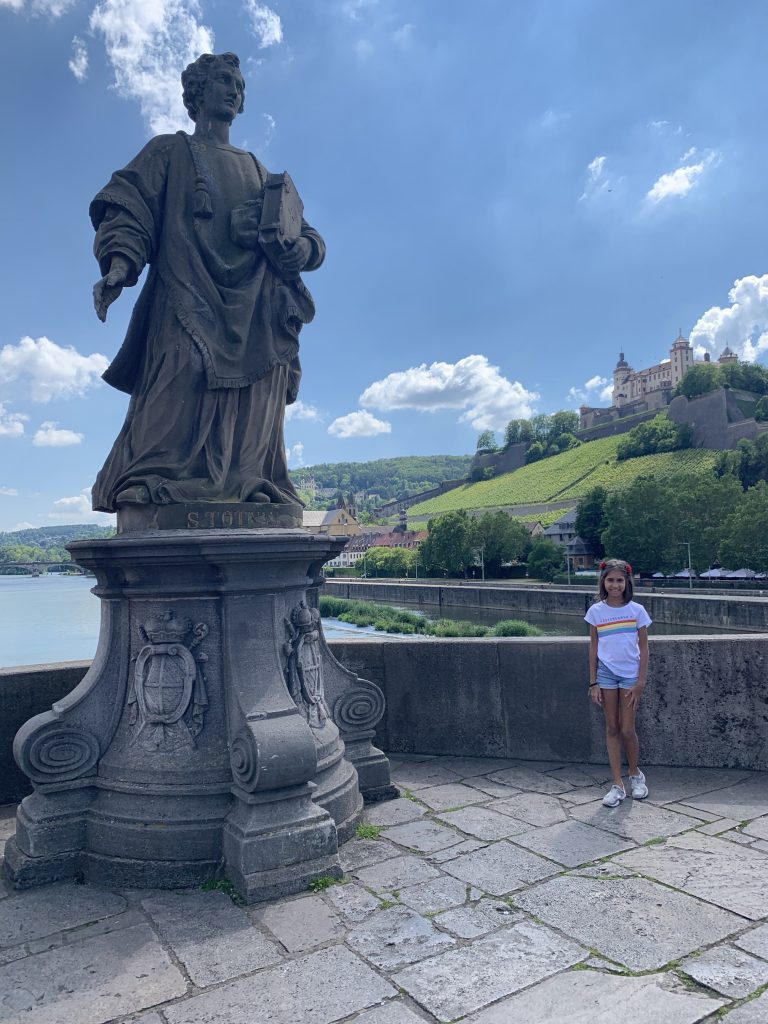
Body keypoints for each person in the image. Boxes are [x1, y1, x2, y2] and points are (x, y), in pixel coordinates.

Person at [89, 52, 325, 512]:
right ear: (196, 94)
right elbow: (128, 207)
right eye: (224, 81)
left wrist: (303, 249)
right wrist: (120, 266)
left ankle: (248, 477)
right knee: (182, 372)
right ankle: (152, 478)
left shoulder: (260, 171)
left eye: (240, 85)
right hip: (186, 291)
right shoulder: (168, 151)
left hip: (256, 304)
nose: (236, 90)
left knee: (257, 391)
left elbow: (308, 235)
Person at [585, 558, 651, 807]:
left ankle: (635, 775)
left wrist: (641, 682)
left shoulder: (637, 611)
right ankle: (617, 784)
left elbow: (644, 648)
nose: (615, 585)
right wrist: (593, 682)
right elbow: (593, 648)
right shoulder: (596, 612)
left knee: (627, 729)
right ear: (603, 581)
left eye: (619, 580)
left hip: (630, 675)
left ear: (626, 582)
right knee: (612, 727)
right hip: (606, 675)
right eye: (610, 580)